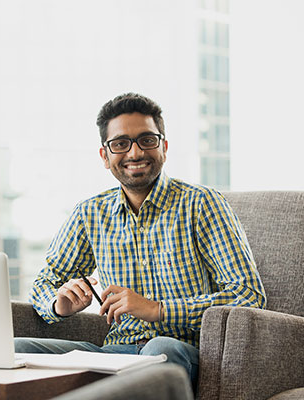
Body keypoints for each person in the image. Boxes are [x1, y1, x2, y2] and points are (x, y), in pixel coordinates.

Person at [15, 93, 266, 387]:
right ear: (105, 157)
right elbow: (44, 283)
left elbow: (249, 296)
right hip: (113, 354)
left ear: (164, 147)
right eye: (121, 144)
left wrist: (157, 309)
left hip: (182, 351)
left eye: (147, 140)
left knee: (160, 349)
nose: (135, 153)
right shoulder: (90, 213)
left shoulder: (202, 204)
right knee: (19, 350)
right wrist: (59, 304)